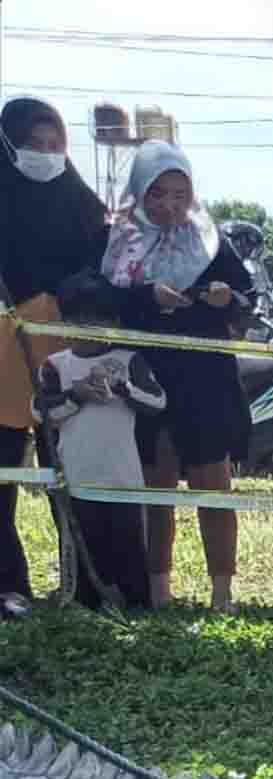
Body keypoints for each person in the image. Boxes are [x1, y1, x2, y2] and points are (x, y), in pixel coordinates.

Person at [103, 140, 253, 613]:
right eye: (157, 193)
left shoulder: (211, 239)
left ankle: (222, 594)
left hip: (206, 379)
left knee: (214, 484)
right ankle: (157, 590)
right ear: (140, 193)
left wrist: (226, 299)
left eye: (178, 193)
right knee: (156, 484)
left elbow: (249, 298)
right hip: (146, 374)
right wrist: (149, 297)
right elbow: (101, 299)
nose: (168, 204)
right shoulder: (117, 239)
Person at [0, 96, 112, 618]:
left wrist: (64, 293)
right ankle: (8, 586)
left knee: (69, 471)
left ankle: (84, 585)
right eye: (31, 145)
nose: (45, 155)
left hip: (66, 354)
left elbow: (103, 266)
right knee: (5, 475)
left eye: (54, 146)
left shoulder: (84, 204)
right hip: (3, 352)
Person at [32, 271, 161, 610]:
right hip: (76, 478)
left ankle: (136, 606)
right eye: (80, 320)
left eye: (100, 320)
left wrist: (123, 389)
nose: (90, 329)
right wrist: (77, 395)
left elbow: (158, 402)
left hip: (123, 479)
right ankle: (83, 603)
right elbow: (40, 412)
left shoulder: (129, 360)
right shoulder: (55, 366)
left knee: (130, 548)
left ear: (115, 322)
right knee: (82, 544)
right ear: (65, 322)